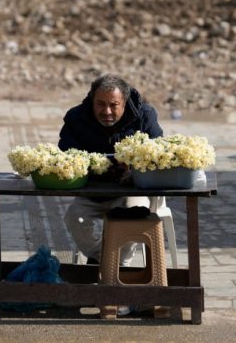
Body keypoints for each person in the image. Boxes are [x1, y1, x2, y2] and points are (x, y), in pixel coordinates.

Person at [59, 73, 163, 267]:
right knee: (74, 218)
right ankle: (103, 258)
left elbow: (158, 153)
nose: (106, 111)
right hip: (92, 191)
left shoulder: (145, 116)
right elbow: (66, 151)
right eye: (100, 104)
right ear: (91, 101)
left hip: (132, 191)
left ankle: (119, 267)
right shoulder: (76, 117)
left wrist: (133, 171)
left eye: (113, 105)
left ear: (124, 102)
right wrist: (89, 166)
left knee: (136, 215)